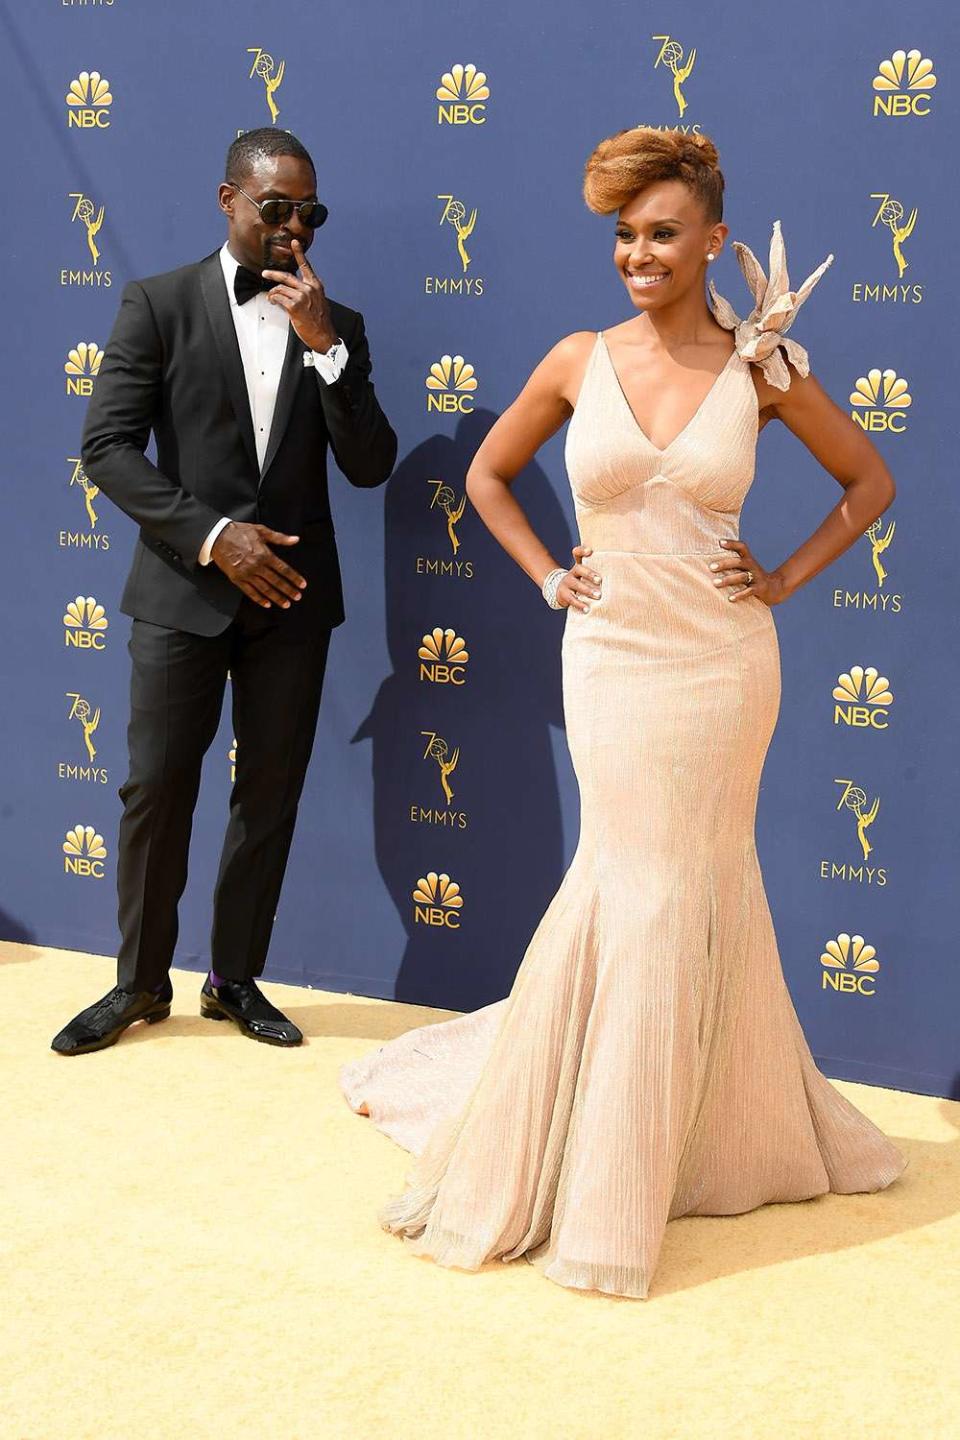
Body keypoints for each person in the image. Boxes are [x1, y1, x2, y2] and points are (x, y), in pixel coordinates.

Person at [338, 127, 907, 1299]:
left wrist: (786, 579)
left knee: (695, 884)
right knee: (632, 883)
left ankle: (662, 1154)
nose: (638, 255)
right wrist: (551, 575)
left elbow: (871, 480)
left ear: (714, 242)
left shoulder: (763, 367)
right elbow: (487, 476)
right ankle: (608, 1154)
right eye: (623, 235)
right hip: (608, 662)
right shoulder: (574, 358)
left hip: (722, 667)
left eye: (660, 233)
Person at [52, 129, 396, 1055]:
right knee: (156, 790)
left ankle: (235, 979)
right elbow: (108, 448)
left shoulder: (342, 324)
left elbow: (371, 465)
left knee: (269, 793)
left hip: (291, 604)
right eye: (273, 208)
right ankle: (137, 984)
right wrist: (214, 537)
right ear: (228, 200)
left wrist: (325, 350)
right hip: (181, 593)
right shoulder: (157, 304)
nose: (292, 228)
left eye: (307, 212)